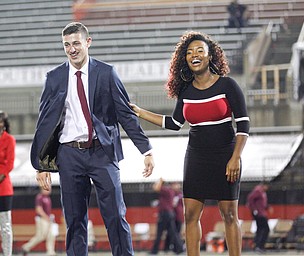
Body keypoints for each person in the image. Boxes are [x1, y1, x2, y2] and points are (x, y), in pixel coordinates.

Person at [30, 22, 155, 256]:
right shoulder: (54, 77)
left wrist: (145, 150)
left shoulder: (106, 73)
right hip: (69, 155)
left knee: (116, 216)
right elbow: (44, 122)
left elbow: (125, 114)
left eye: (76, 43)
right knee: (75, 220)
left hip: (102, 153)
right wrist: (41, 163)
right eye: (66, 45)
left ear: (88, 42)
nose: (71, 49)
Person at [130, 31, 250, 256]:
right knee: (190, 216)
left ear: (209, 56)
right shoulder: (185, 91)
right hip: (196, 157)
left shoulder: (228, 85)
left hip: (226, 155)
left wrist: (235, 158)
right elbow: (175, 123)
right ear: (184, 59)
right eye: (189, 52)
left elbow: (244, 126)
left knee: (230, 215)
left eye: (200, 51)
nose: (194, 55)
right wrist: (140, 112)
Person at [150, 178, 184, 255]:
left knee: (160, 233)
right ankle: (179, 249)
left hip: (165, 214)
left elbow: (155, 187)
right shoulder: (171, 191)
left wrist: (160, 179)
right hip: (169, 214)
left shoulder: (166, 190)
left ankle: (154, 251)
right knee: (173, 232)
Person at [22, 187, 56, 256]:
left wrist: (50, 218)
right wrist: (46, 217)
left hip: (48, 219)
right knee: (41, 236)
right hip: (42, 219)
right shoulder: (40, 197)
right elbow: (38, 209)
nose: (49, 190)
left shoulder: (48, 198)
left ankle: (51, 252)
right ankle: (26, 247)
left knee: (51, 235)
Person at [0, 111, 15, 256]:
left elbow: (9, 164)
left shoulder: (9, 140)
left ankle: (7, 253)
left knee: (5, 225)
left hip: (3, 188)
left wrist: (1, 175)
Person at [246, 182, 271, 253]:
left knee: (260, 229)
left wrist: (267, 207)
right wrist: (254, 209)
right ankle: (259, 246)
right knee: (266, 229)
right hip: (259, 214)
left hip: (261, 212)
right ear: (264, 185)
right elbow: (250, 198)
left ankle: (257, 246)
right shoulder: (258, 190)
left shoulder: (262, 192)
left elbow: (261, 203)